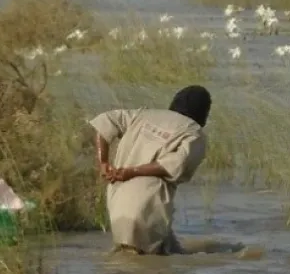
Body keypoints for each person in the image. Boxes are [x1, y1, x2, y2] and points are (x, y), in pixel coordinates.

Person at [88, 85, 211, 255]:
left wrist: (103, 162)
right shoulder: (194, 133)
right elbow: (176, 164)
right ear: (204, 114)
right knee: (150, 262)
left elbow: (104, 121)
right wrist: (131, 172)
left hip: (117, 205)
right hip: (149, 209)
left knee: (131, 257)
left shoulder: (143, 115)